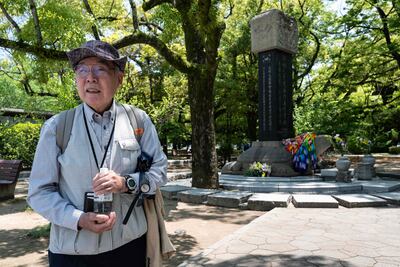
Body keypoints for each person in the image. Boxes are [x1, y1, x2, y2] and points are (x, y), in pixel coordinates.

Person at [27, 40, 168, 267]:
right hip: (73, 252)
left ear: (119, 79)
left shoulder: (138, 120)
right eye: (82, 69)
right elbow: (38, 192)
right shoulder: (57, 127)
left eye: (100, 68)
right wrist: (78, 218)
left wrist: (125, 183)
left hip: (130, 244)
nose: (90, 77)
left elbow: (160, 171)